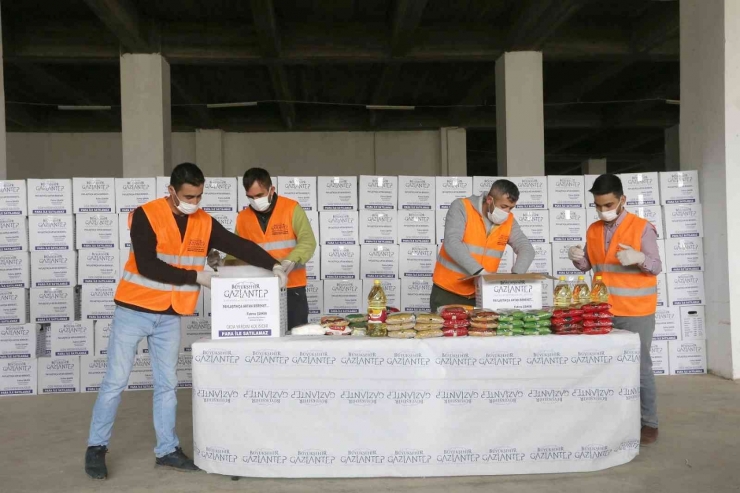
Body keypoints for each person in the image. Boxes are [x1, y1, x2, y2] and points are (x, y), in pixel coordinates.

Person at [84, 163, 287, 480]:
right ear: (171, 192)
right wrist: (197, 276)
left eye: (199, 196)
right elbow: (148, 265)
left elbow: (236, 244)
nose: (194, 202)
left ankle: (167, 450)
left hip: (169, 315)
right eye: (189, 196)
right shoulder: (146, 215)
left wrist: (274, 265)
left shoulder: (203, 221)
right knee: (115, 382)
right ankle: (96, 447)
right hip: (133, 311)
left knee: (167, 385)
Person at [568, 173, 661, 445]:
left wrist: (640, 258)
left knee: (640, 368)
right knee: (605, 367)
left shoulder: (642, 228)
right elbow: (589, 266)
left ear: (622, 200)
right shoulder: (593, 230)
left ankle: (649, 423)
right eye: (598, 205)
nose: (602, 211)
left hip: (636, 311)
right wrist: (577, 258)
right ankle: (610, 418)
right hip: (602, 311)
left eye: (608, 205)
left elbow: (656, 265)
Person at [212, 168, 316, 329]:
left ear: (271, 190)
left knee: (295, 341)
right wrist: (221, 265)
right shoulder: (243, 218)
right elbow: (237, 253)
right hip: (257, 293)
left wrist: (290, 260)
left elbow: (308, 241)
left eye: (259, 195)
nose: (255, 200)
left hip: (291, 287)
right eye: (250, 197)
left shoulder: (291, 208)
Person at [430, 179, 535, 311]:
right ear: (490, 200)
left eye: (511, 208)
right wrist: (481, 272)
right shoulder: (462, 207)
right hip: (448, 292)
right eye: (503, 207)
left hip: (482, 295)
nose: (507, 212)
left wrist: (514, 278)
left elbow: (527, 249)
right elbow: (452, 242)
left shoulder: (509, 221)